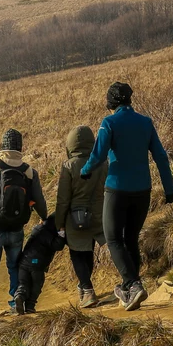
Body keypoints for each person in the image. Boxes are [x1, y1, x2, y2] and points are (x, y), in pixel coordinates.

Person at [81, 82, 173, 312]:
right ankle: (129, 288)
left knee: (113, 238)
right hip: (143, 190)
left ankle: (133, 285)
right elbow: (161, 157)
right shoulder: (146, 122)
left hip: (117, 190)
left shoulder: (109, 123)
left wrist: (85, 171)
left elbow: (98, 155)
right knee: (131, 238)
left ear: (110, 102)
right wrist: (169, 188)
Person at [0, 128, 47, 317]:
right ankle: (16, 300)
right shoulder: (29, 171)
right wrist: (45, 218)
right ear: (20, 147)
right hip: (16, 228)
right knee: (15, 266)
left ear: (2, 146)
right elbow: (39, 200)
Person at [55, 125, 108, 308]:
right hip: (98, 215)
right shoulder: (102, 162)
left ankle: (87, 290)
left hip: (75, 217)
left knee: (77, 254)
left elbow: (63, 199)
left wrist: (59, 222)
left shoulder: (69, 166)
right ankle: (84, 286)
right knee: (88, 252)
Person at [14, 213, 66, 314]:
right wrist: (62, 232)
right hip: (36, 265)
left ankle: (19, 296)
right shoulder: (48, 233)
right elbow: (58, 245)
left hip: (23, 262)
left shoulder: (37, 228)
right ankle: (30, 306)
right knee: (36, 285)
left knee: (23, 284)